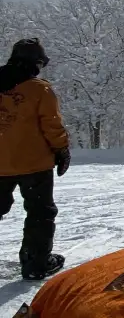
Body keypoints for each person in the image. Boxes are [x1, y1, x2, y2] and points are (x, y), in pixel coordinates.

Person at [0, 38, 71, 280]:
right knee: (40, 212)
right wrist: (62, 150)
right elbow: (52, 126)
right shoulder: (40, 89)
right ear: (34, 63)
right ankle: (35, 263)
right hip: (34, 166)